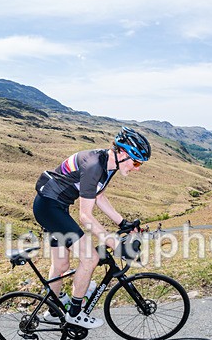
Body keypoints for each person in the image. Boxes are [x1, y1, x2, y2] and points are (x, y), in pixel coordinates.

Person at [33, 126, 149, 328]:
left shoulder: (109, 163)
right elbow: (85, 216)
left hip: (53, 205)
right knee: (90, 258)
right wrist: (114, 243)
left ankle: (53, 309)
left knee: (61, 265)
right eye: (136, 161)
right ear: (122, 152)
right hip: (50, 207)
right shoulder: (95, 165)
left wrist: (122, 223)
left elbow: (99, 195)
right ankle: (75, 313)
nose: (137, 168)